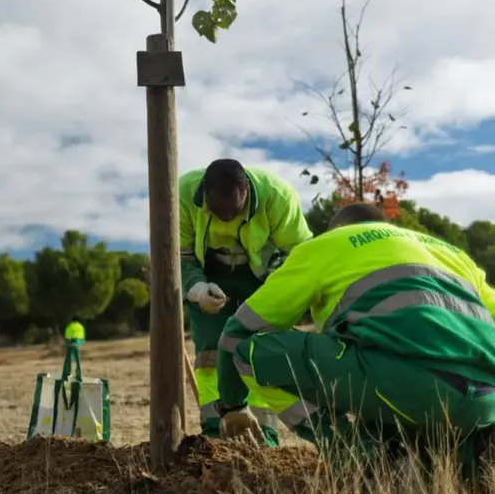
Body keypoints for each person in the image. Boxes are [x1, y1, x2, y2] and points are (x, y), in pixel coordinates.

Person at [215, 202, 495, 477]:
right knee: (439, 461)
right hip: (485, 398)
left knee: (248, 351)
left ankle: (352, 455)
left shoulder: (328, 244)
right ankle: (470, 453)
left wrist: (233, 405)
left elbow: (237, 330)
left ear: (337, 229)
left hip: (409, 387)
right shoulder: (454, 254)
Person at [180, 159, 313, 446]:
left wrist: (274, 288)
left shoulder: (278, 195)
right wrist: (197, 289)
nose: (226, 219)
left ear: (248, 194)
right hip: (209, 270)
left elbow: (299, 252)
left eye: (235, 211)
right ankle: (216, 431)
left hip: (262, 275)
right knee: (211, 351)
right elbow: (179, 254)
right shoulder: (181, 193)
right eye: (218, 212)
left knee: (259, 347)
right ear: (204, 193)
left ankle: (263, 432)